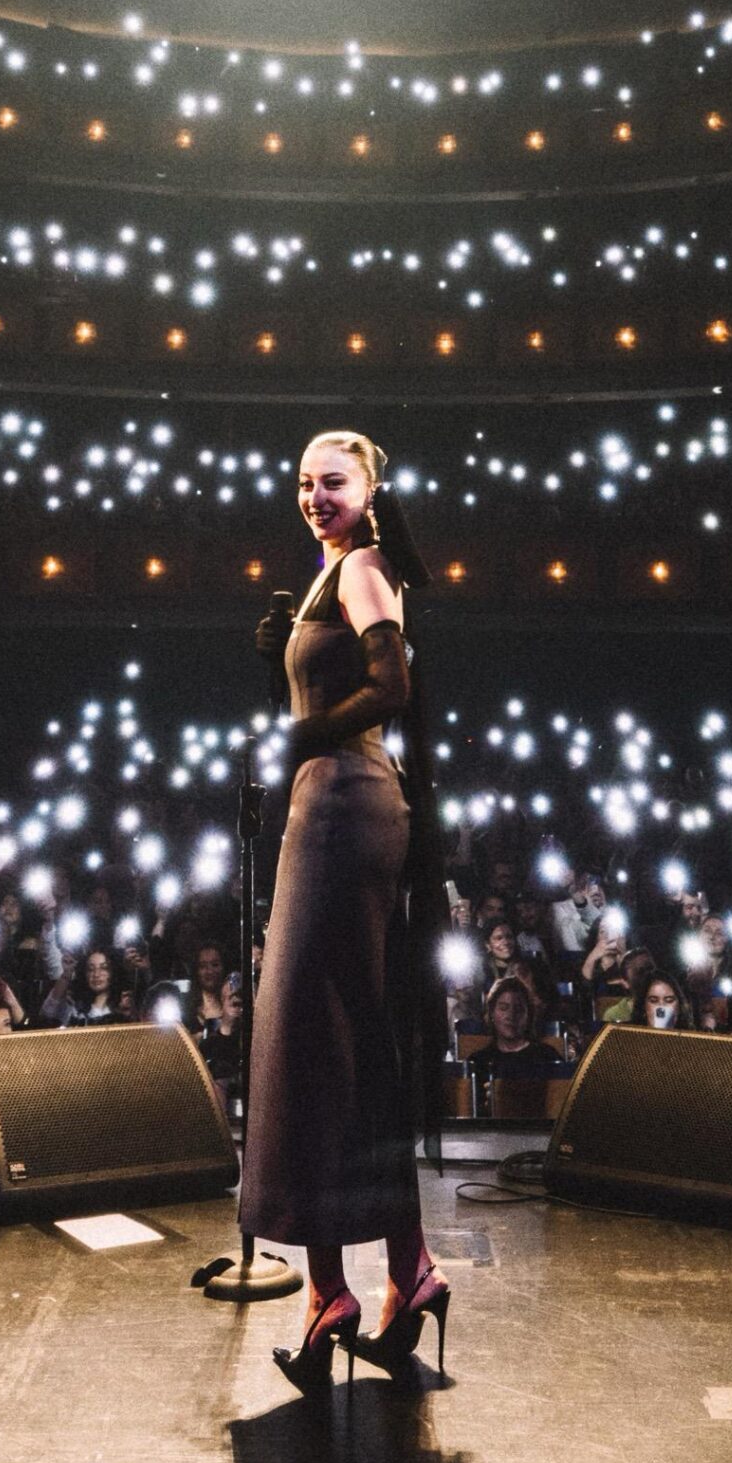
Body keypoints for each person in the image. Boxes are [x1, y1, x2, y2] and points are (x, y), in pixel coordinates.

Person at [241, 427, 451, 1393]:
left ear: (370, 489)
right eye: (301, 480)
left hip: (341, 810)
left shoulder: (362, 566)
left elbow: (392, 686)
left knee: (311, 1041)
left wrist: (301, 732)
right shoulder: (332, 574)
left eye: (331, 481)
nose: (312, 494)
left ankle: (336, 1292)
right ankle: (405, 1275)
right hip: (334, 806)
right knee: (344, 1042)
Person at [464, 974, 565, 1083]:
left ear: (528, 1015)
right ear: (492, 1013)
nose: (511, 1015)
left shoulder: (547, 1057)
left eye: (518, 1009)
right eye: (503, 1008)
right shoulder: (478, 1062)